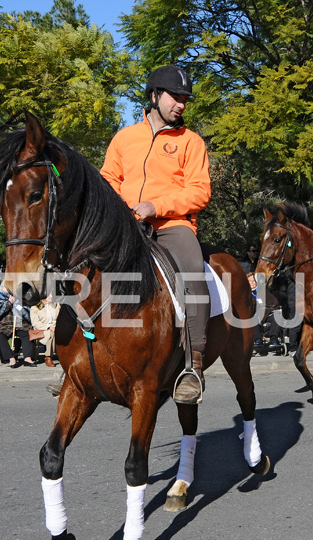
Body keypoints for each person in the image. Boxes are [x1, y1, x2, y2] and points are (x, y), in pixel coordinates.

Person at [100, 64, 211, 404]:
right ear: (153, 96)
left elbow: (199, 192)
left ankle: (193, 365)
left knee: (193, 272)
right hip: (126, 225)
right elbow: (108, 180)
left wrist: (155, 206)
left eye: (185, 99)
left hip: (173, 226)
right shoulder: (124, 137)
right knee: (85, 267)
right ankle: (76, 361)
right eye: (175, 97)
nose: (181, 104)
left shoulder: (191, 142)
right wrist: (123, 211)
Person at [0, 287, 37, 368]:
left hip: (19, 323)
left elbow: (27, 311)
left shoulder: (20, 297)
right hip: (4, 324)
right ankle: (11, 358)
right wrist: (9, 303)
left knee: (27, 334)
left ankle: (27, 358)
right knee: (0, 336)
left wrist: (17, 305)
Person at [30, 293, 60, 367]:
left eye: (53, 294)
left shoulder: (57, 305)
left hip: (57, 328)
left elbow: (61, 317)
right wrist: (49, 327)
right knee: (51, 334)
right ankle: (48, 357)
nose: (52, 296)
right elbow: (35, 323)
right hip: (42, 330)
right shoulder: (36, 307)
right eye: (50, 295)